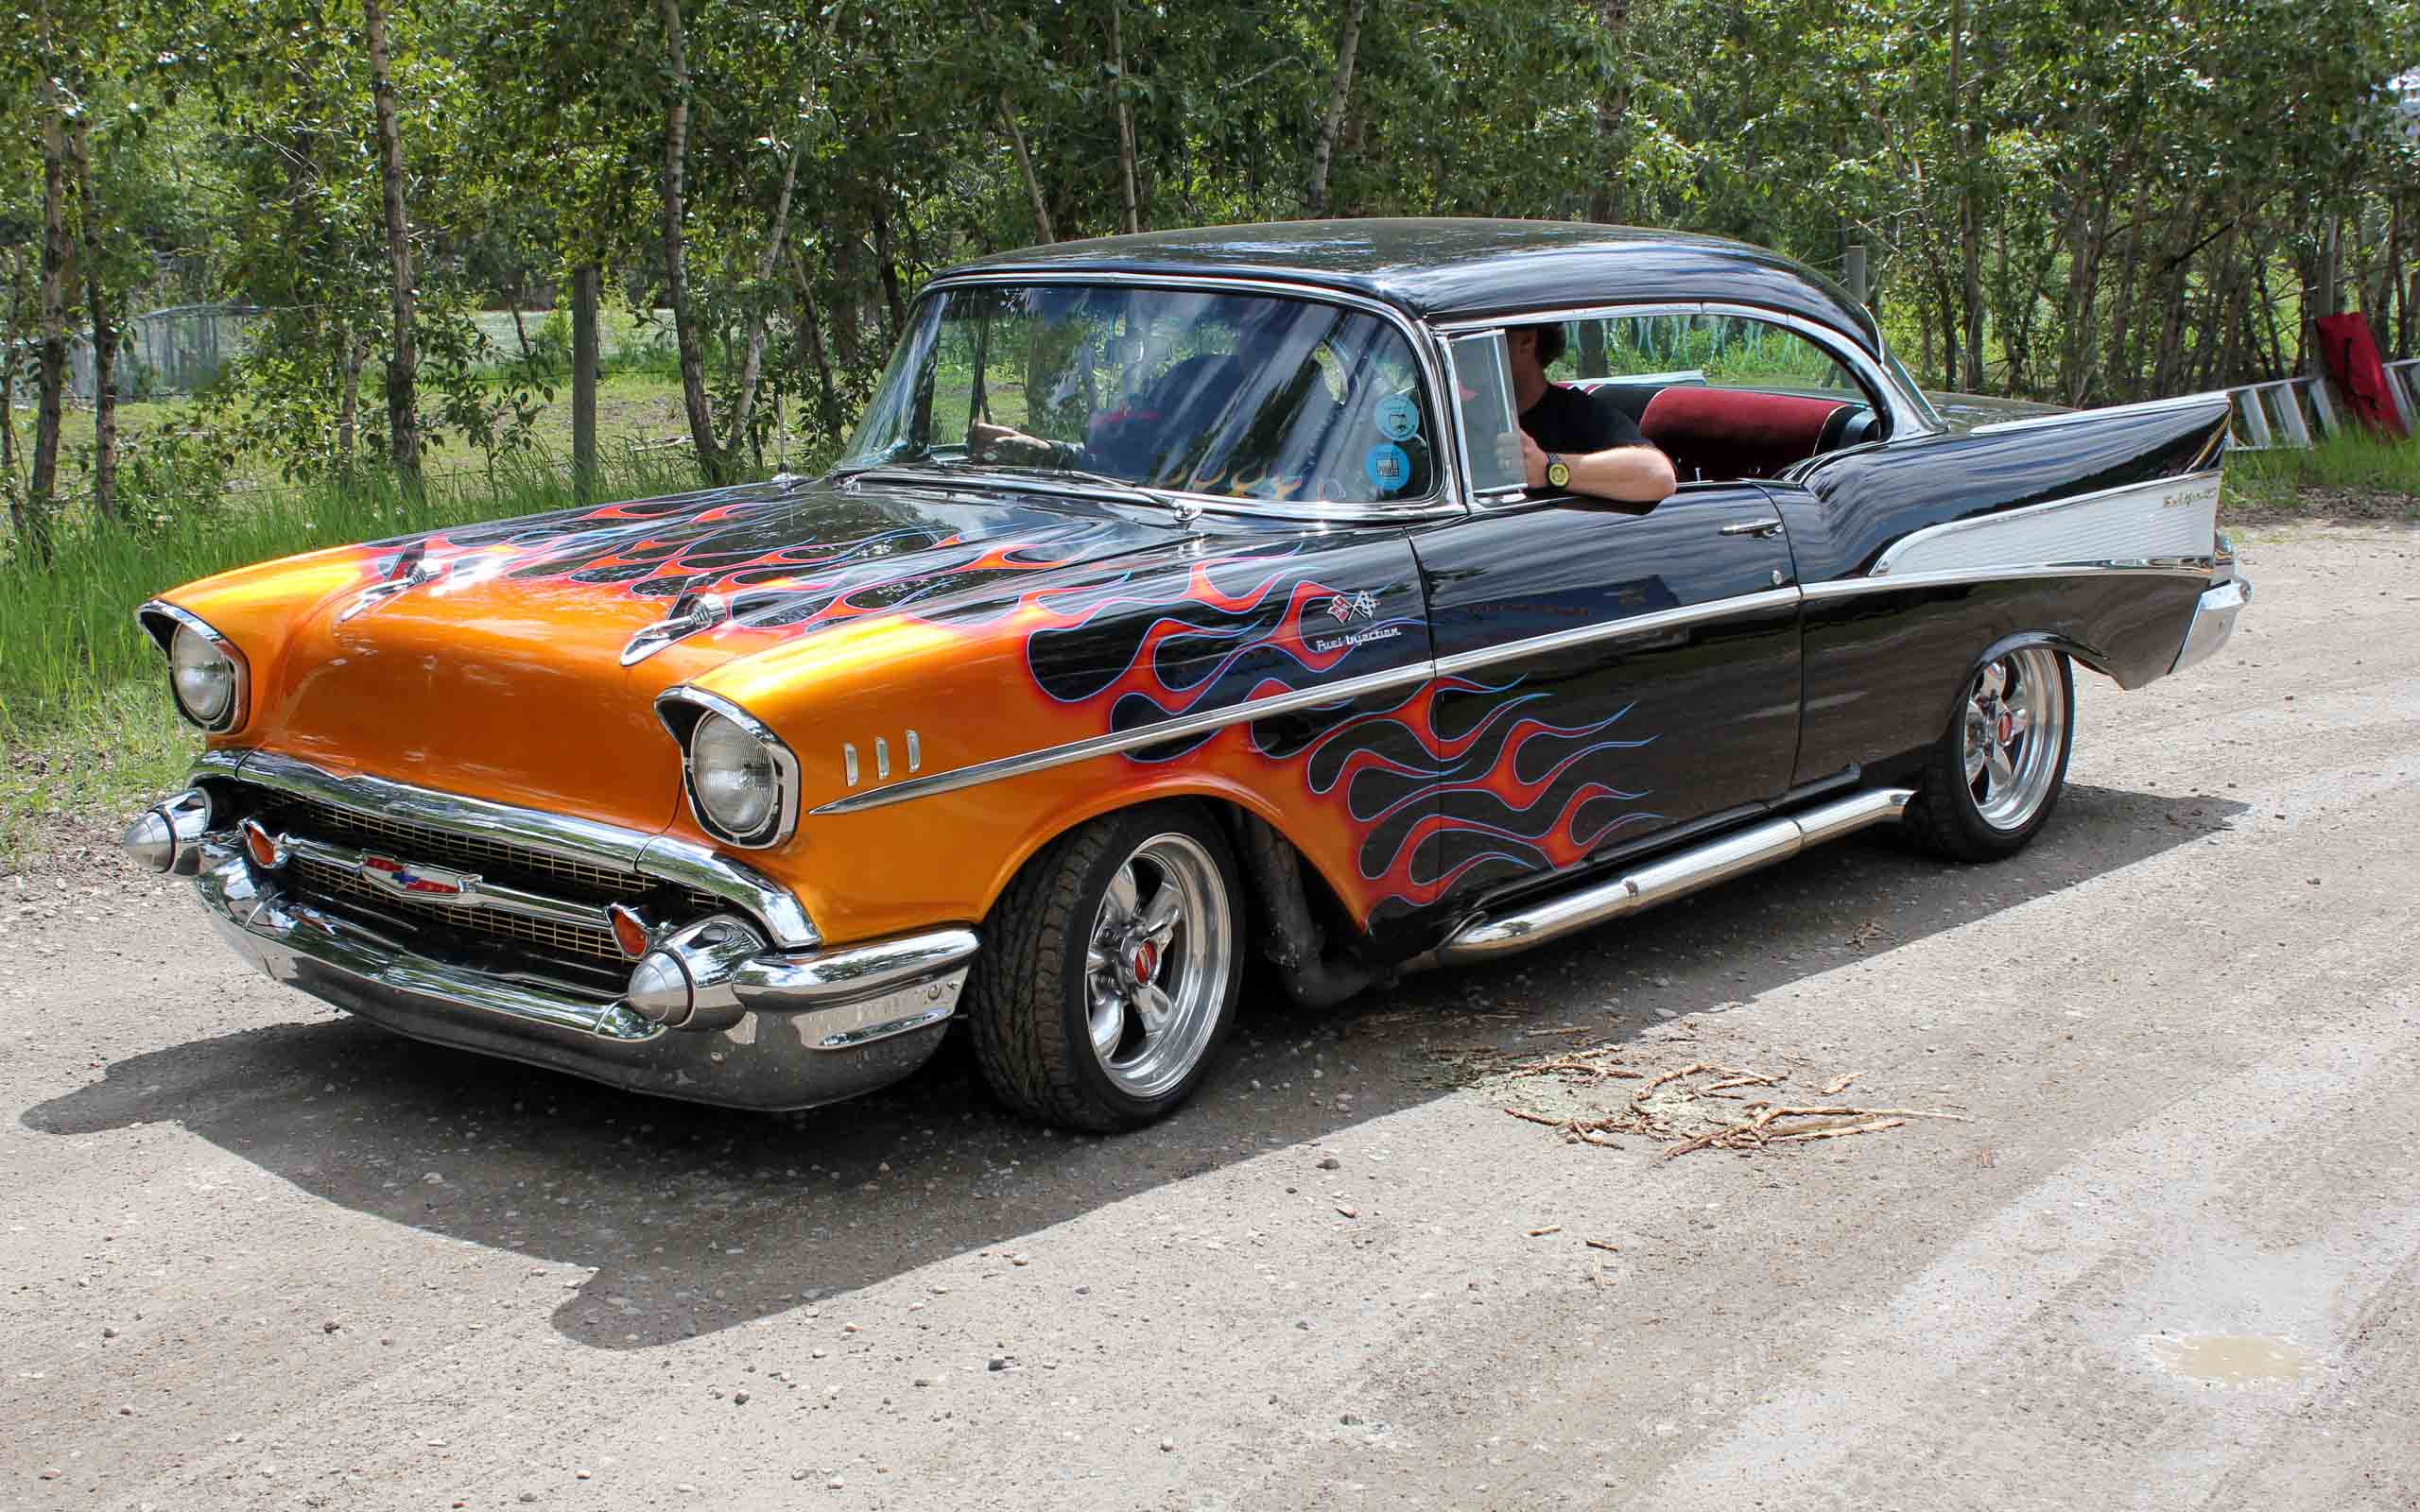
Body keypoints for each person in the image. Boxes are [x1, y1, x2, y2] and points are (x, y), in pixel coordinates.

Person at [1505, 323, 1676, 503]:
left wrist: (1547, 468)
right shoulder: (1483, 419)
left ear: (1526, 340)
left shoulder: (1575, 414)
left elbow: (1659, 475)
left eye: (1489, 340)